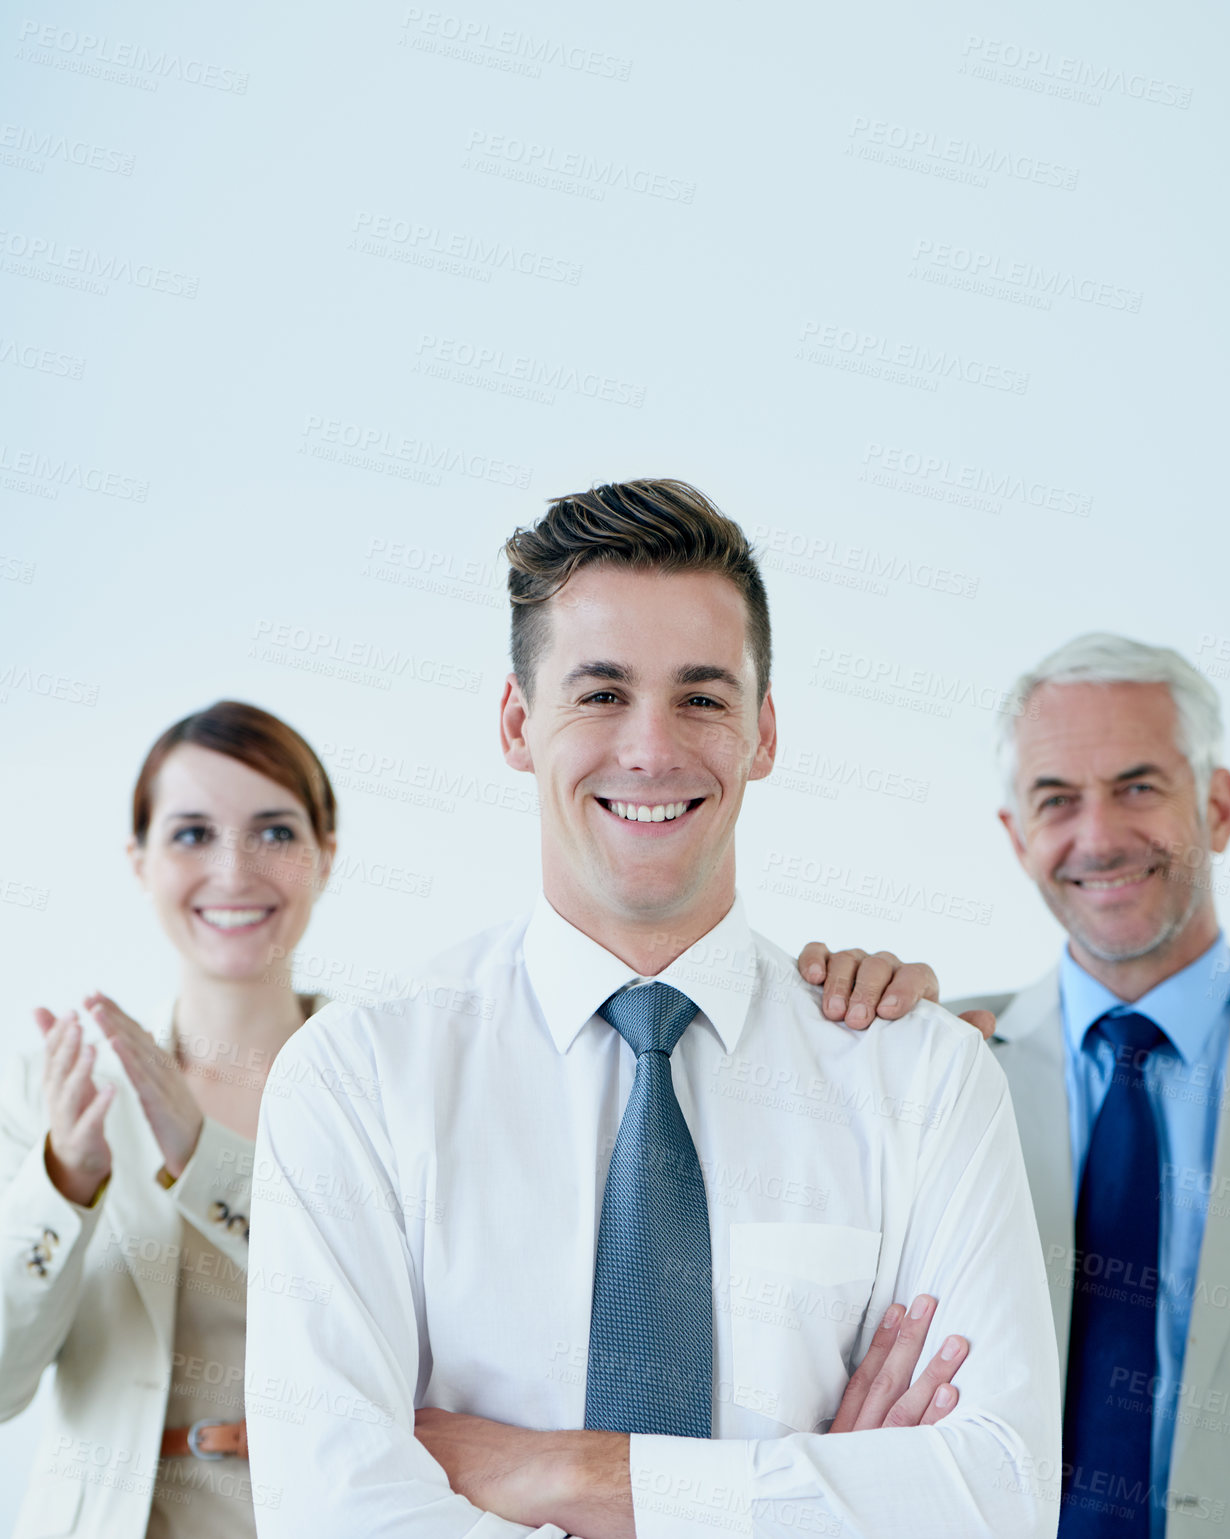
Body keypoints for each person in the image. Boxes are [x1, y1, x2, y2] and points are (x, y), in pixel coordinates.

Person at [246, 479, 1060, 1539]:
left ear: (763, 734)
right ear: (514, 722)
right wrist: (816, 1495)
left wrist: (568, 1476)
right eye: (598, 693)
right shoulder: (357, 1079)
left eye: (702, 697)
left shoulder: (921, 1079)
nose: (650, 749)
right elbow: (333, 1513)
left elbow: (994, 1497)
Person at [809, 634, 1230, 1538]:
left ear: (1218, 806)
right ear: (1017, 834)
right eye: (1056, 799)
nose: (1099, 835)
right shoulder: (926, 1057)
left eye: (1138, 786)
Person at [0, 701, 337, 1538]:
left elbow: (405, 1342)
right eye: (190, 834)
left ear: (325, 854)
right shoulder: (53, 1087)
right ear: (139, 861)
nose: (232, 870)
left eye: (274, 831)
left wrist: (204, 1158)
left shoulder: (380, 1088)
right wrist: (65, 1182)